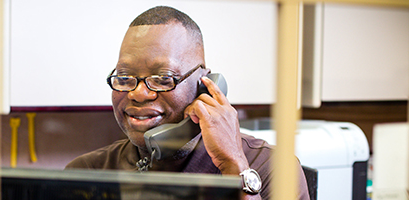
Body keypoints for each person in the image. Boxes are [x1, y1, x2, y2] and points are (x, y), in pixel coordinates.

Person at [65, 6, 310, 200]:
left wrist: (234, 167)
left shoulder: (271, 168)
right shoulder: (87, 173)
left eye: (163, 79)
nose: (138, 94)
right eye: (125, 78)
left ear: (205, 85)